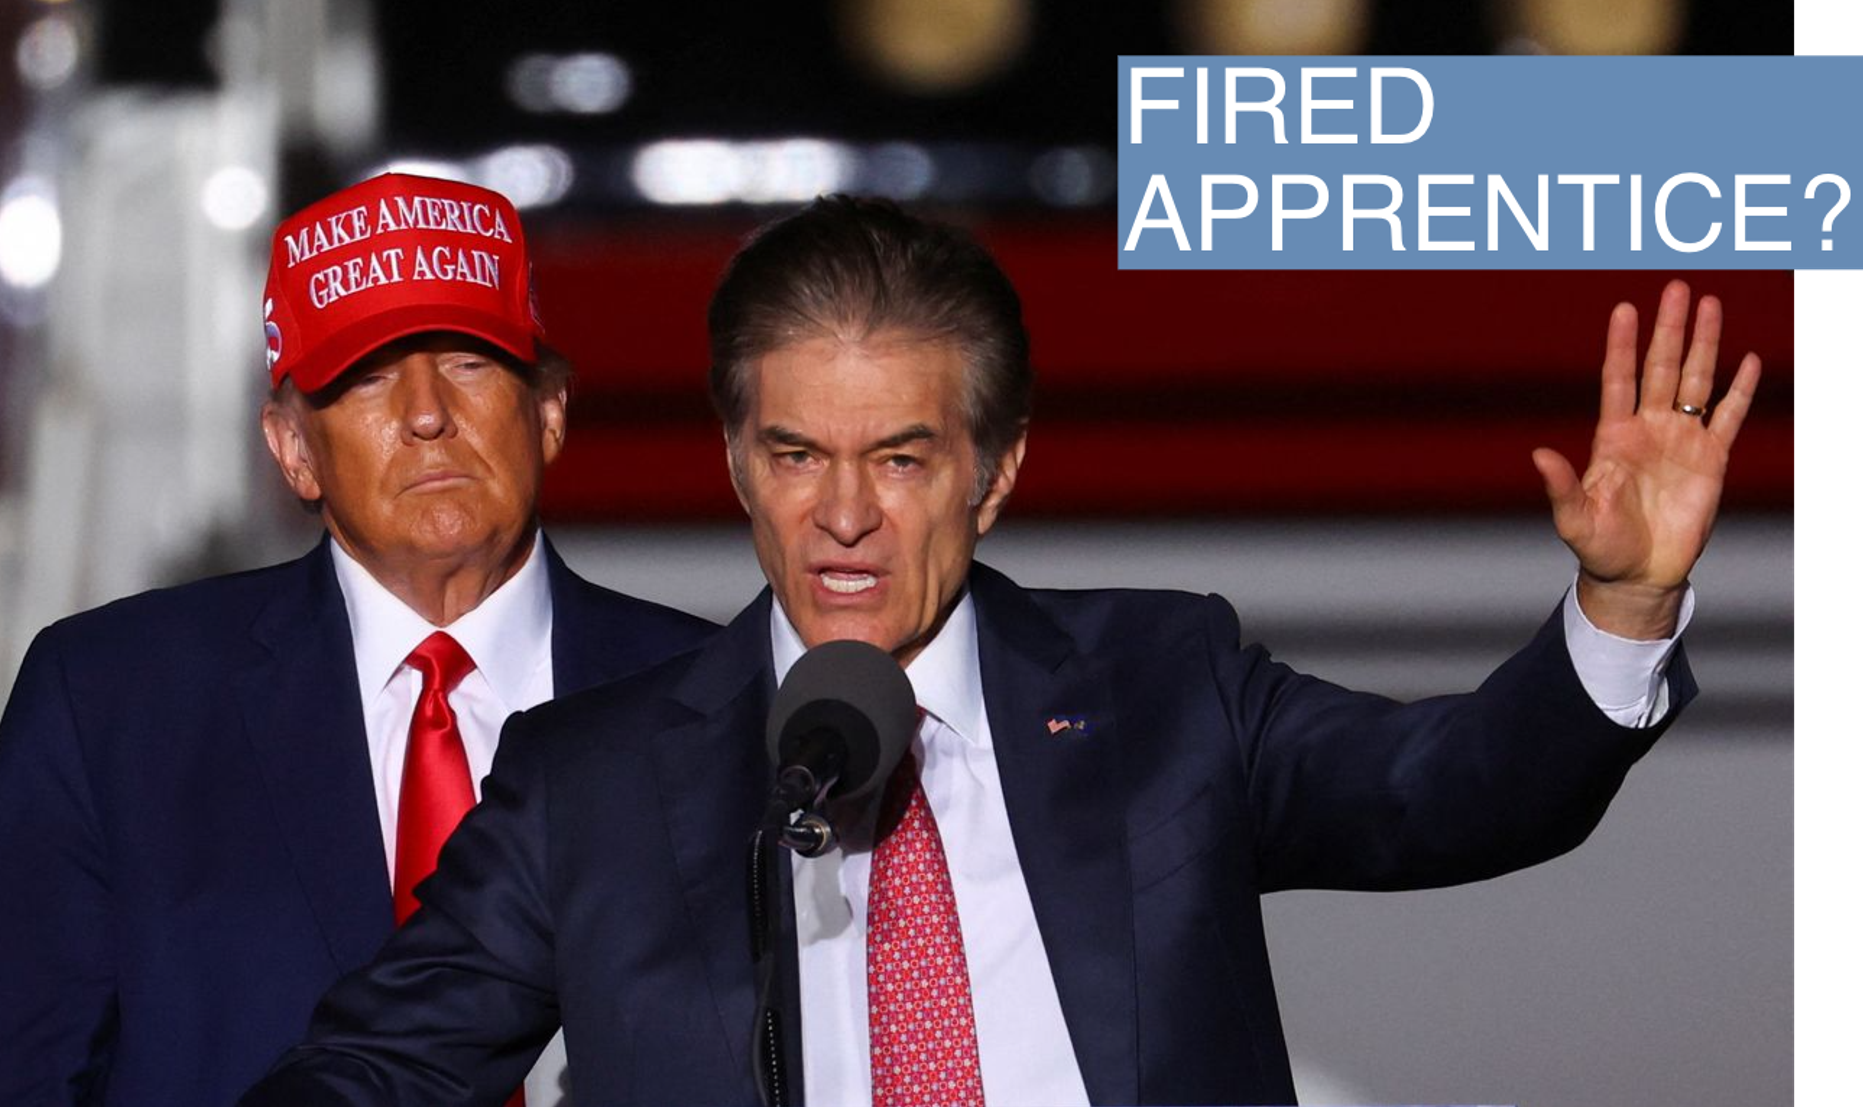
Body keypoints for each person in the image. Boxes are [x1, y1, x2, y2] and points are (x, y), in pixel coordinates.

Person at [240, 195, 1760, 1107]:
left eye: (900, 460)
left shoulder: (1163, 690)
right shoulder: (593, 786)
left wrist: (1618, 608)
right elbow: (373, 1071)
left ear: (997, 469)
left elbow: (1461, 791)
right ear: (733, 460)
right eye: (794, 456)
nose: (841, 518)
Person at [0, 174, 715, 1106]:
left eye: (469, 361)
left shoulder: (717, 699)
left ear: (550, 409)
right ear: (292, 449)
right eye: (370, 374)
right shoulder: (113, 706)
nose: (427, 412)